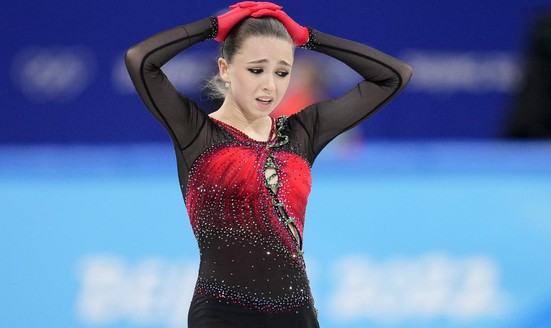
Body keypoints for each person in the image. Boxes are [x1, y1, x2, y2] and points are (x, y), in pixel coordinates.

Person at [125, 2, 412, 327]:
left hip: (296, 315)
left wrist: (308, 37)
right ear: (225, 69)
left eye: (282, 72)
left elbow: (393, 77)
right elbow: (141, 60)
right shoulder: (197, 133)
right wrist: (213, 26)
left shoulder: (301, 132)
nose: (270, 86)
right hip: (221, 314)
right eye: (256, 69)